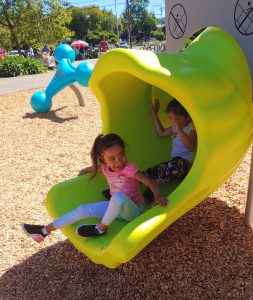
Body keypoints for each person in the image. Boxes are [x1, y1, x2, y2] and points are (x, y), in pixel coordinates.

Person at [22, 133, 168, 242]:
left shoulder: (128, 169)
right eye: (112, 159)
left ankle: (100, 228)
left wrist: (158, 196)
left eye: (122, 155)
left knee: (117, 197)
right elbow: (97, 168)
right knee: (82, 209)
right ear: (103, 159)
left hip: (134, 210)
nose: (119, 161)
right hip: (115, 207)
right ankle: (44, 231)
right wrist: (86, 170)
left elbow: (148, 181)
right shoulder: (105, 168)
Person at [143, 98, 197, 184]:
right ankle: (136, 180)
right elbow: (161, 133)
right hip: (172, 165)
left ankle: (155, 183)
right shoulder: (177, 127)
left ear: (188, 116)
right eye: (170, 118)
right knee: (159, 168)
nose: (173, 122)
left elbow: (191, 147)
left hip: (185, 166)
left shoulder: (191, 129)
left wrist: (180, 131)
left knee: (176, 164)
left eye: (177, 119)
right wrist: (154, 115)